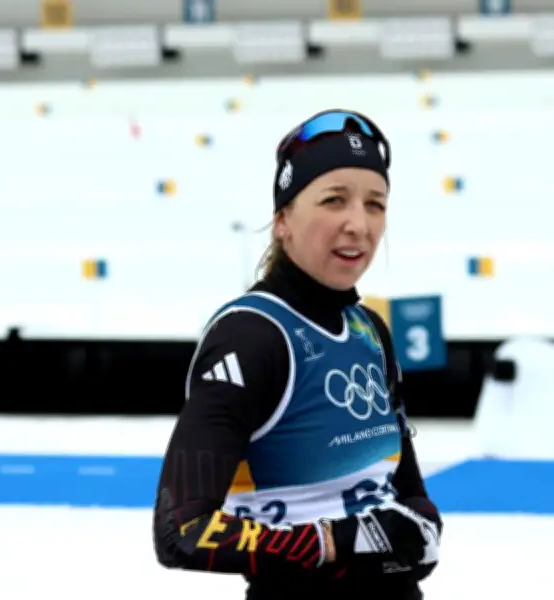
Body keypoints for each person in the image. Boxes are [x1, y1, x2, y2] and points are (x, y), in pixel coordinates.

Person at [152, 109, 443, 600]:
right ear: (283, 220)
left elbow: (411, 496)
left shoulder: (370, 330)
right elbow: (181, 531)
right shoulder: (249, 336)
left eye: (375, 204)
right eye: (334, 200)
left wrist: (419, 533)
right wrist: (333, 543)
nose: (359, 224)